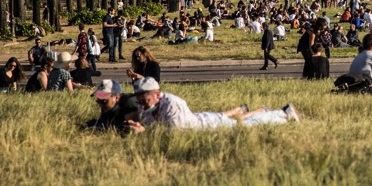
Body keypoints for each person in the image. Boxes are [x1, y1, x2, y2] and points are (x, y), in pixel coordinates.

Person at [125, 77, 299, 132]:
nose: (141, 102)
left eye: (144, 98)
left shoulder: (172, 103)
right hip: (204, 120)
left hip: (210, 125)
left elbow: (176, 133)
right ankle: (278, 113)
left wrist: (144, 130)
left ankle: (283, 114)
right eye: (139, 98)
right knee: (245, 123)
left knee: (247, 126)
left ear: (157, 94)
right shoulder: (145, 106)